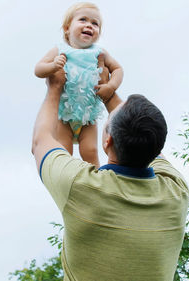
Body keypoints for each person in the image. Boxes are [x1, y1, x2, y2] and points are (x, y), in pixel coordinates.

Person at [31, 56, 189, 281]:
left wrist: (54, 88)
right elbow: (150, 143)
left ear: (107, 142)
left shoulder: (80, 186)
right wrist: (109, 95)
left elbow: (41, 141)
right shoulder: (176, 192)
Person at [34, 2, 123, 168]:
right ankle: (68, 175)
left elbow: (118, 69)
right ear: (67, 28)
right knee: (64, 151)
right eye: (83, 20)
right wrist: (53, 66)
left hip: (88, 117)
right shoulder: (60, 49)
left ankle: (96, 178)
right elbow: (38, 69)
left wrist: (111, 86)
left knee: (90, 151)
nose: (89, 25)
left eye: (95, 23)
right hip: (64, 115)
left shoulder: (99, 52)